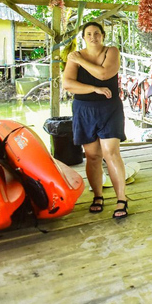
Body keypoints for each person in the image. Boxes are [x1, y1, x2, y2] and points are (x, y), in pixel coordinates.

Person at [62, 21, 129, 219]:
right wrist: (93, 89)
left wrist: (80, 61)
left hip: (109, 108)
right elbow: (67, 84)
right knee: (92, 156)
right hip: (84, 109)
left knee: (111, 153)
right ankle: (98, 196)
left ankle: (121, 199)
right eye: (89, 34)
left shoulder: (111, 52)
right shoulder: (75, 56)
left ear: (103, 35)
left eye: (97, 33)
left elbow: (104, 74)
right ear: (83, 37)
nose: (93, 37)